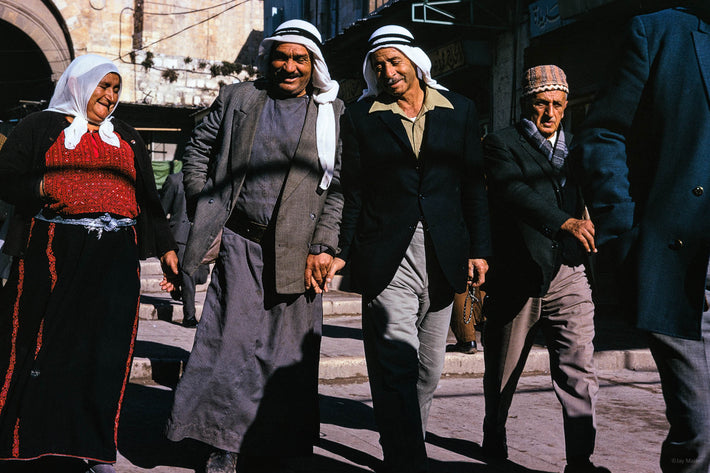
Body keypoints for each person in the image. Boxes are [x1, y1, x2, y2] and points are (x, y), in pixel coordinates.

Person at [165, 20, 344, 473]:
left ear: (313, 65)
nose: (289, 66)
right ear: (269, 59)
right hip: (240, 245)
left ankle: (276, 443)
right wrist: (202, 200)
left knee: (286, 354)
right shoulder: (241, 98)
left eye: (299, 59)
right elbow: (198, 147)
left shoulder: (332, 112)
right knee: (229, 345)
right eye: (281, 56)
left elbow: (339, 186)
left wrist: (323, 245)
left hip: (299, 254)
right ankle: (223, 443)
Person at [0, 54, 178, 473]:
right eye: (103, 86)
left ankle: (93, 447)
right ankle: (26, 442)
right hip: (53, 249)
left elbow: (149, 202)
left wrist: (168, 249)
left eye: (116, 89)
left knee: (105, 351)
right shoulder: (41, 127)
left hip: (116, 254)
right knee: (43, 346)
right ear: (81, 84)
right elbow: (5, 177)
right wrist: (42, 184)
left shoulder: (128, 137)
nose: (110, 97)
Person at [328, 25, 491, 473]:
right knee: (395, 361)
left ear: (415, 63)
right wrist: (343, 249)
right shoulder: (361, 118)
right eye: (378, 66)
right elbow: (354, 191)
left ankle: (404, 443)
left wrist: (480, 249)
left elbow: (473, 187)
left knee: (429, 368)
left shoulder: (459, 110)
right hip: (387, 252)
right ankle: (406, 459)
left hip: (444, 252)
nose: (387, 71)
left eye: (394, 61)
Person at [571, 6, 710, 472]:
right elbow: (603, 131)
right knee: (701, 432)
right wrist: (625, 227)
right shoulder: (662, 33)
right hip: (684, 268)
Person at [481, 65, 608, 473]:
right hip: (518, 274)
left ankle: (580, 460)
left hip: (569, 272)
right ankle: (494, 435)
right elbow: (513, 192)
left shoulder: (579, 149)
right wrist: (565, 221)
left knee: (579, 369)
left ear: (567, 105)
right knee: (502, 372)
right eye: (541, 103)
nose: (549, 113)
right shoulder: (501, 144)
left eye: (557, 104)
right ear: (526, 104)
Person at [160, 170, 210, 327]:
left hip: (200, 237)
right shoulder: (174, 181)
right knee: (188, 276)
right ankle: (189, 316)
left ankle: (177, 286)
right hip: (180, 236)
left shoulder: (209, 181)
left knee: (201, 276)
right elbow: (162, 210)